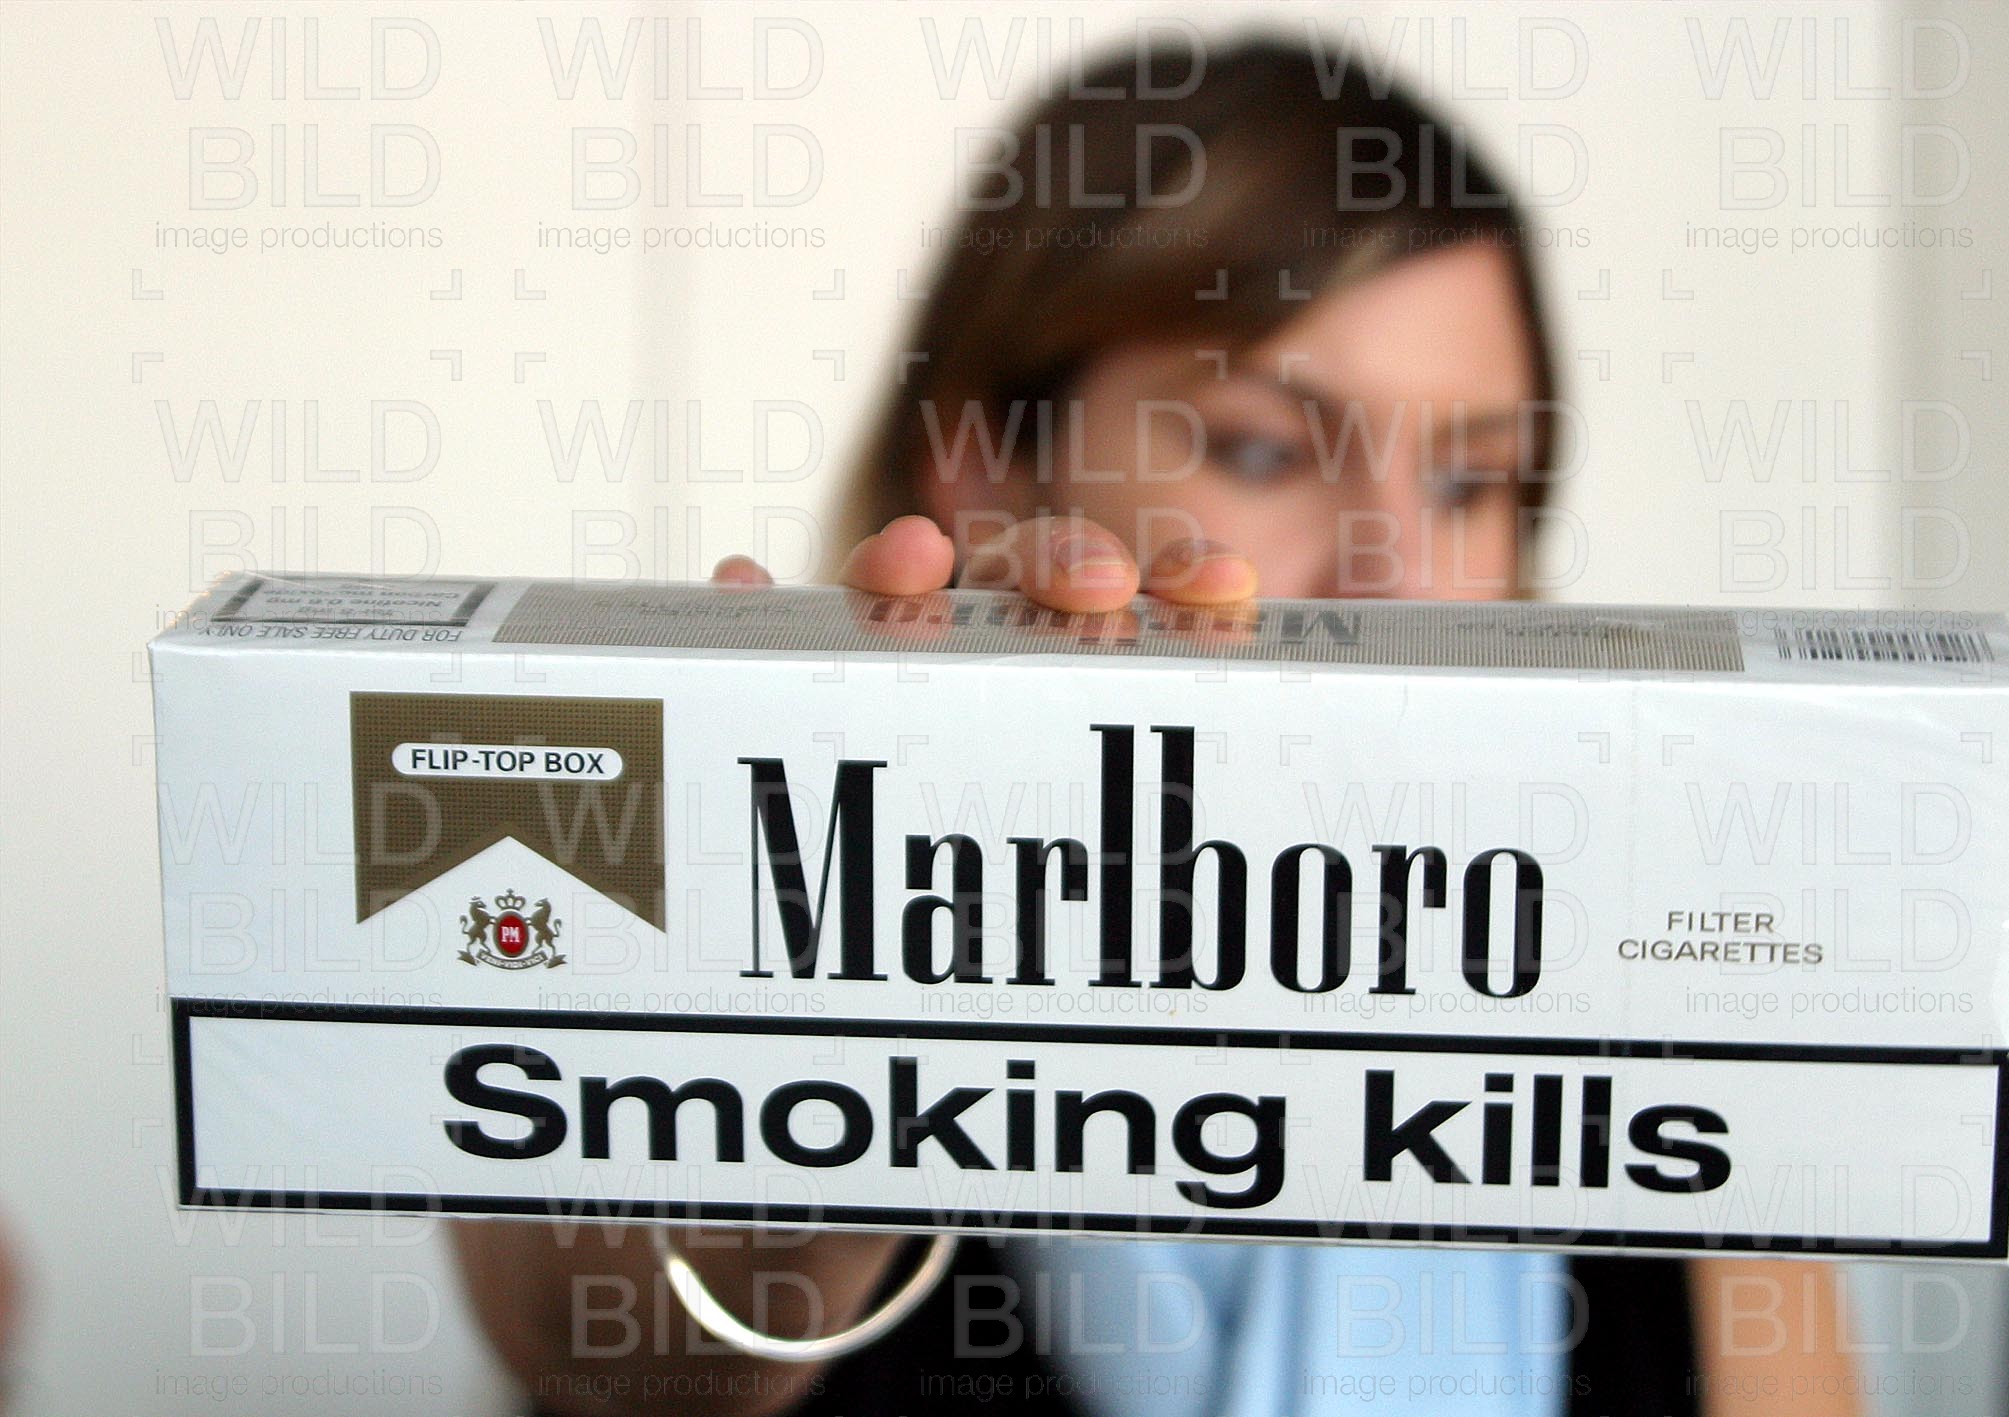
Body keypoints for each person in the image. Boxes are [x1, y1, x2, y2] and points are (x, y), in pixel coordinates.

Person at [452, 34, 1860, 1417]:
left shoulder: (1673, 1058)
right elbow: (614, 1356)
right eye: (1263, 446)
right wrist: (871, 948)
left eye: (1468, 480)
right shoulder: (767, 897)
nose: (1395, 574)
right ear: (984, 465)